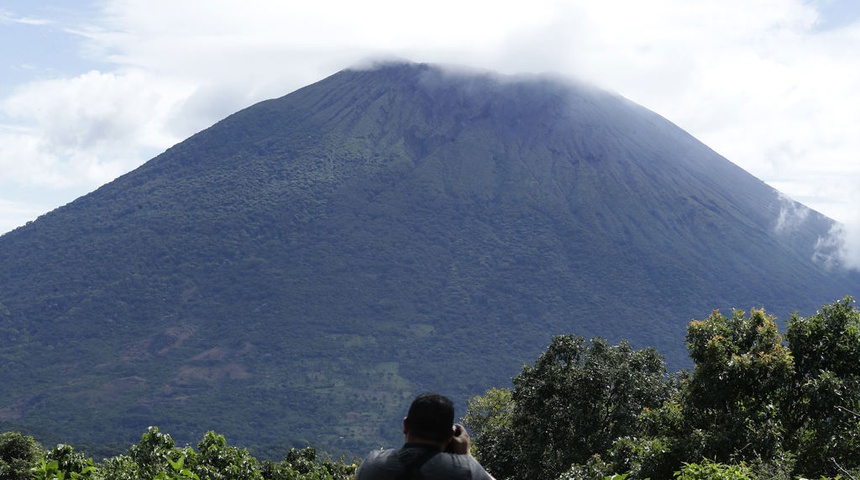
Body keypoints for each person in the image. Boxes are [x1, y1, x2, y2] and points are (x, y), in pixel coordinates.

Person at [354, 392, 495, 479]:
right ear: (450, 435)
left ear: (405, 426)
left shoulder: (373, 464)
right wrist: (466, 455)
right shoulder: (464, 471)